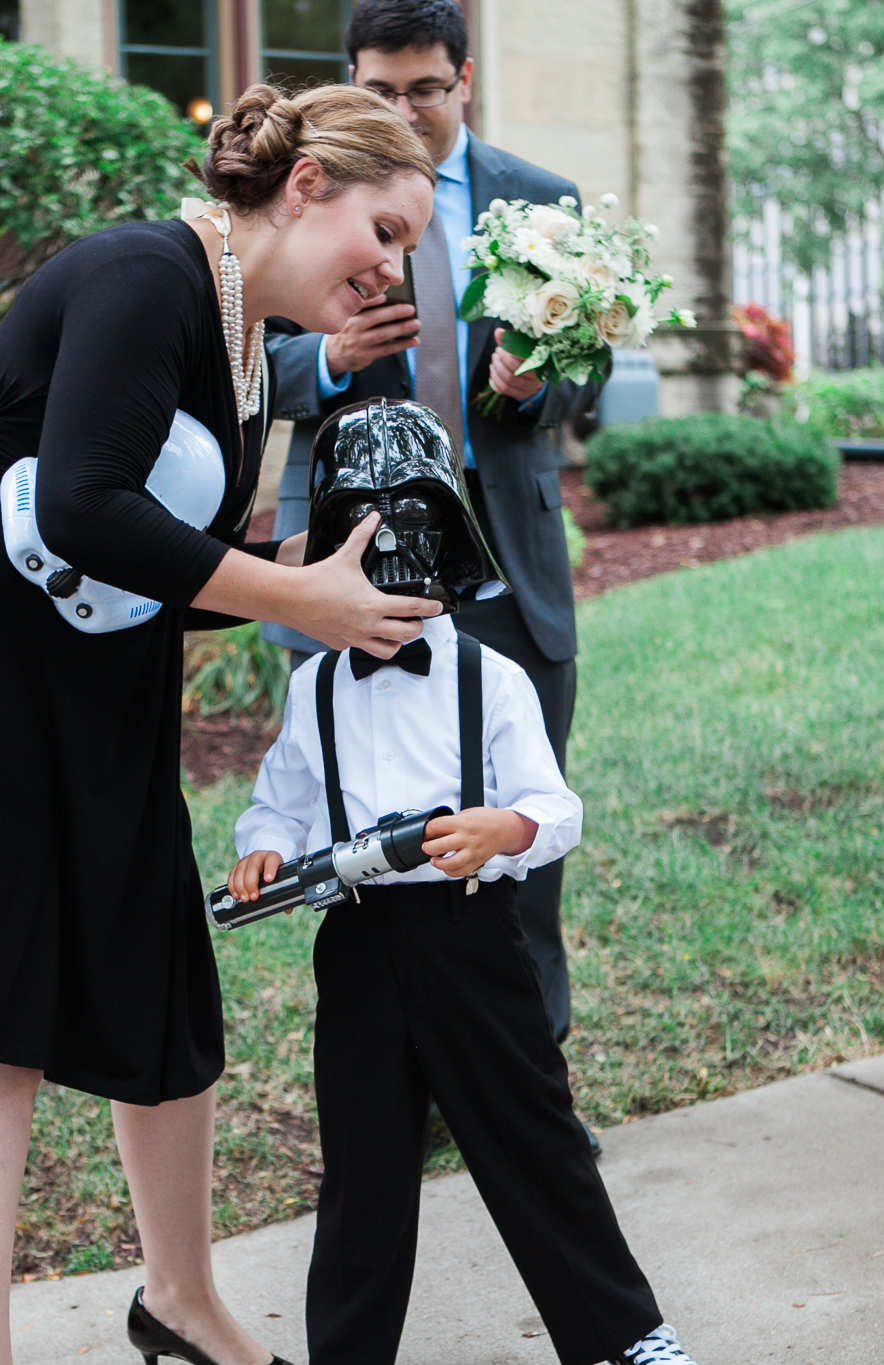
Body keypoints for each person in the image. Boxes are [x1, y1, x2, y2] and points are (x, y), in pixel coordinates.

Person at [0, 85, 440, 1365]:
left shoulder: (243, 347)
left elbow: (167, 567)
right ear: (306, 189)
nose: (392, 267)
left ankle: (178, 1305)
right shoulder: (146, 274)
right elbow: (78, 506)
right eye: (386, 229)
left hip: (92, 680)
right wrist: (295, 591)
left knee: (159, 1000)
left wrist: (326, 562)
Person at [225, 399, 696, 1365]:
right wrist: (263, 847)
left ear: (448, 544)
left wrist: (507, 828)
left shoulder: (492, 677)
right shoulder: (313, 687)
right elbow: (280, 800)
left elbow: (555, 806)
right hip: (357, 947)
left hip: (472, 937)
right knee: (363, 1172)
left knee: (535, 1142)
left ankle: (624, 1336)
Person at [263, 0, 601, 1052]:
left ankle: (530, 1088)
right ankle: (396, 1090)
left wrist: (537, 380)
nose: (402, 110)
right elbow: (242, 365)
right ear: (350, 81)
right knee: (369, 840)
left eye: (423, 87)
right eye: (377, 88)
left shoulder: (542, 202)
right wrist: (328, 357)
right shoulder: (302, 200)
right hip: (355, 562)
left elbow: (587, 373)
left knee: (517, 836)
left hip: (504, 560)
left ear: (464, 81)